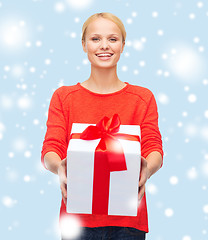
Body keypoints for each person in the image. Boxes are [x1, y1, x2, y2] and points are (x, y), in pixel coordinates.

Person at [41, 12, 163, 240]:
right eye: (95, 39)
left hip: (129, 221)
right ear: (84, 45)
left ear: (123, 45)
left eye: (113, 39)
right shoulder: (64, 97)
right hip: (77, 219)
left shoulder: (142, 98)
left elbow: (153, 145)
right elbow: (51, 147)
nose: (104, 46)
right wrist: (60, 168)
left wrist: (148, 168)